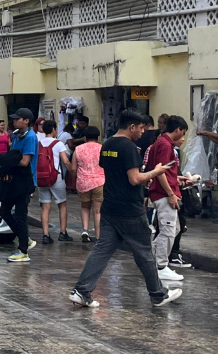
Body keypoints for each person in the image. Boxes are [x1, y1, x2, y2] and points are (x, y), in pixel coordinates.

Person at [70, 110, 181, 310]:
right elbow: (134, 179)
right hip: (129, 208)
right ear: (132, 127)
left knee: (102, 249)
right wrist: (155, 172)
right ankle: (158, 294)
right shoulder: (128, 147)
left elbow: (112, 170)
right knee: (145, 252)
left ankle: (81, 290)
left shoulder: (108, 145)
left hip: (109, 206)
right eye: (140, 128)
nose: (142, 132)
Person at [146, 116, 189, 282]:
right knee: (168, 230)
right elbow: (161, 171)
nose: (183, 136)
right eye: (183, 132)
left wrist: (178, 180)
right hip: (164, 194)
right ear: (177, 129)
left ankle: (153, 258)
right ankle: (161, 265)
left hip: (163, 191)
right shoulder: (165, 144)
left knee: (174, 228)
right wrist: (171, 193)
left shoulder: (160, 143)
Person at [0, 108, 38, 264]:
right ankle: (24, 238)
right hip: (13, 180)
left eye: (17, 119)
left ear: (26, 121)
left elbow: (24, 161)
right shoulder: (16, 135)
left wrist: (6, 161)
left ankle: (23, 250)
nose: (14, 121)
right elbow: (13, 154)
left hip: (25, 181)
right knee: (4, 210)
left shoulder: (30, 137)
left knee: (21, 215)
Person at [37, 120, 72, 244]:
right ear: (53, 129)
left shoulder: (39, 143)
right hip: (55, 177)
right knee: (62, 204)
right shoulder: (58, 144)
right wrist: (73, 172)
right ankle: (63, 232)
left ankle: (45, 235)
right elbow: (65, 161)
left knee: (45, 207)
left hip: (41, 177)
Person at [73, 126, 105, 243]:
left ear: (85, 137)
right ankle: (98, 236)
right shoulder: (102, 148)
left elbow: (73, 168)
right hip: (99, 182)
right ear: (97, 137)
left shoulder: (78, 149)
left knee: (85, 207)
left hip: (83, 182)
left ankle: (85, 230)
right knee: (97, 211)